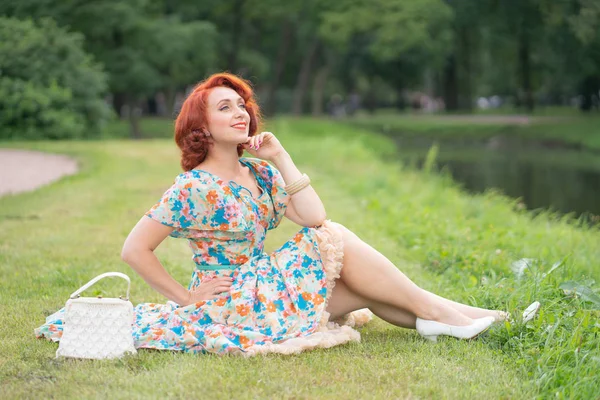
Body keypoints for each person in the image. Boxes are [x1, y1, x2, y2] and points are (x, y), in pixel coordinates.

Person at [35, 73, 511, 356]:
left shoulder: (257, 175)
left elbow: (313, 216)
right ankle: (450, 315)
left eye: (242, 106)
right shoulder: (195, 187)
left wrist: (280, 158)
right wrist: (185, 298)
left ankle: (464, 317)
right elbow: (133, 249)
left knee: (351, 279)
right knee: (337, 241)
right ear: (201, 126)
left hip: (262, 283)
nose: (240, 113)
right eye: (225, 108)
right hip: (232, 301)